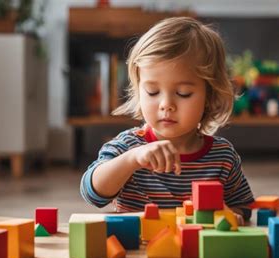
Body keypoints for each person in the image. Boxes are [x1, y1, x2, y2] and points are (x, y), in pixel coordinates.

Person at [80, 17, 255, 221]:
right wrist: (132, 160)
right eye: (153, 92)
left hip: (196, 251)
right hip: (140, 249)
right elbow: (92, 193)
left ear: (210, 96)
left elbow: (242, 205)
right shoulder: (128, 146)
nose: (166, 104)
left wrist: (231, 215)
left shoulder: (222, 157)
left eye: (183, 93)